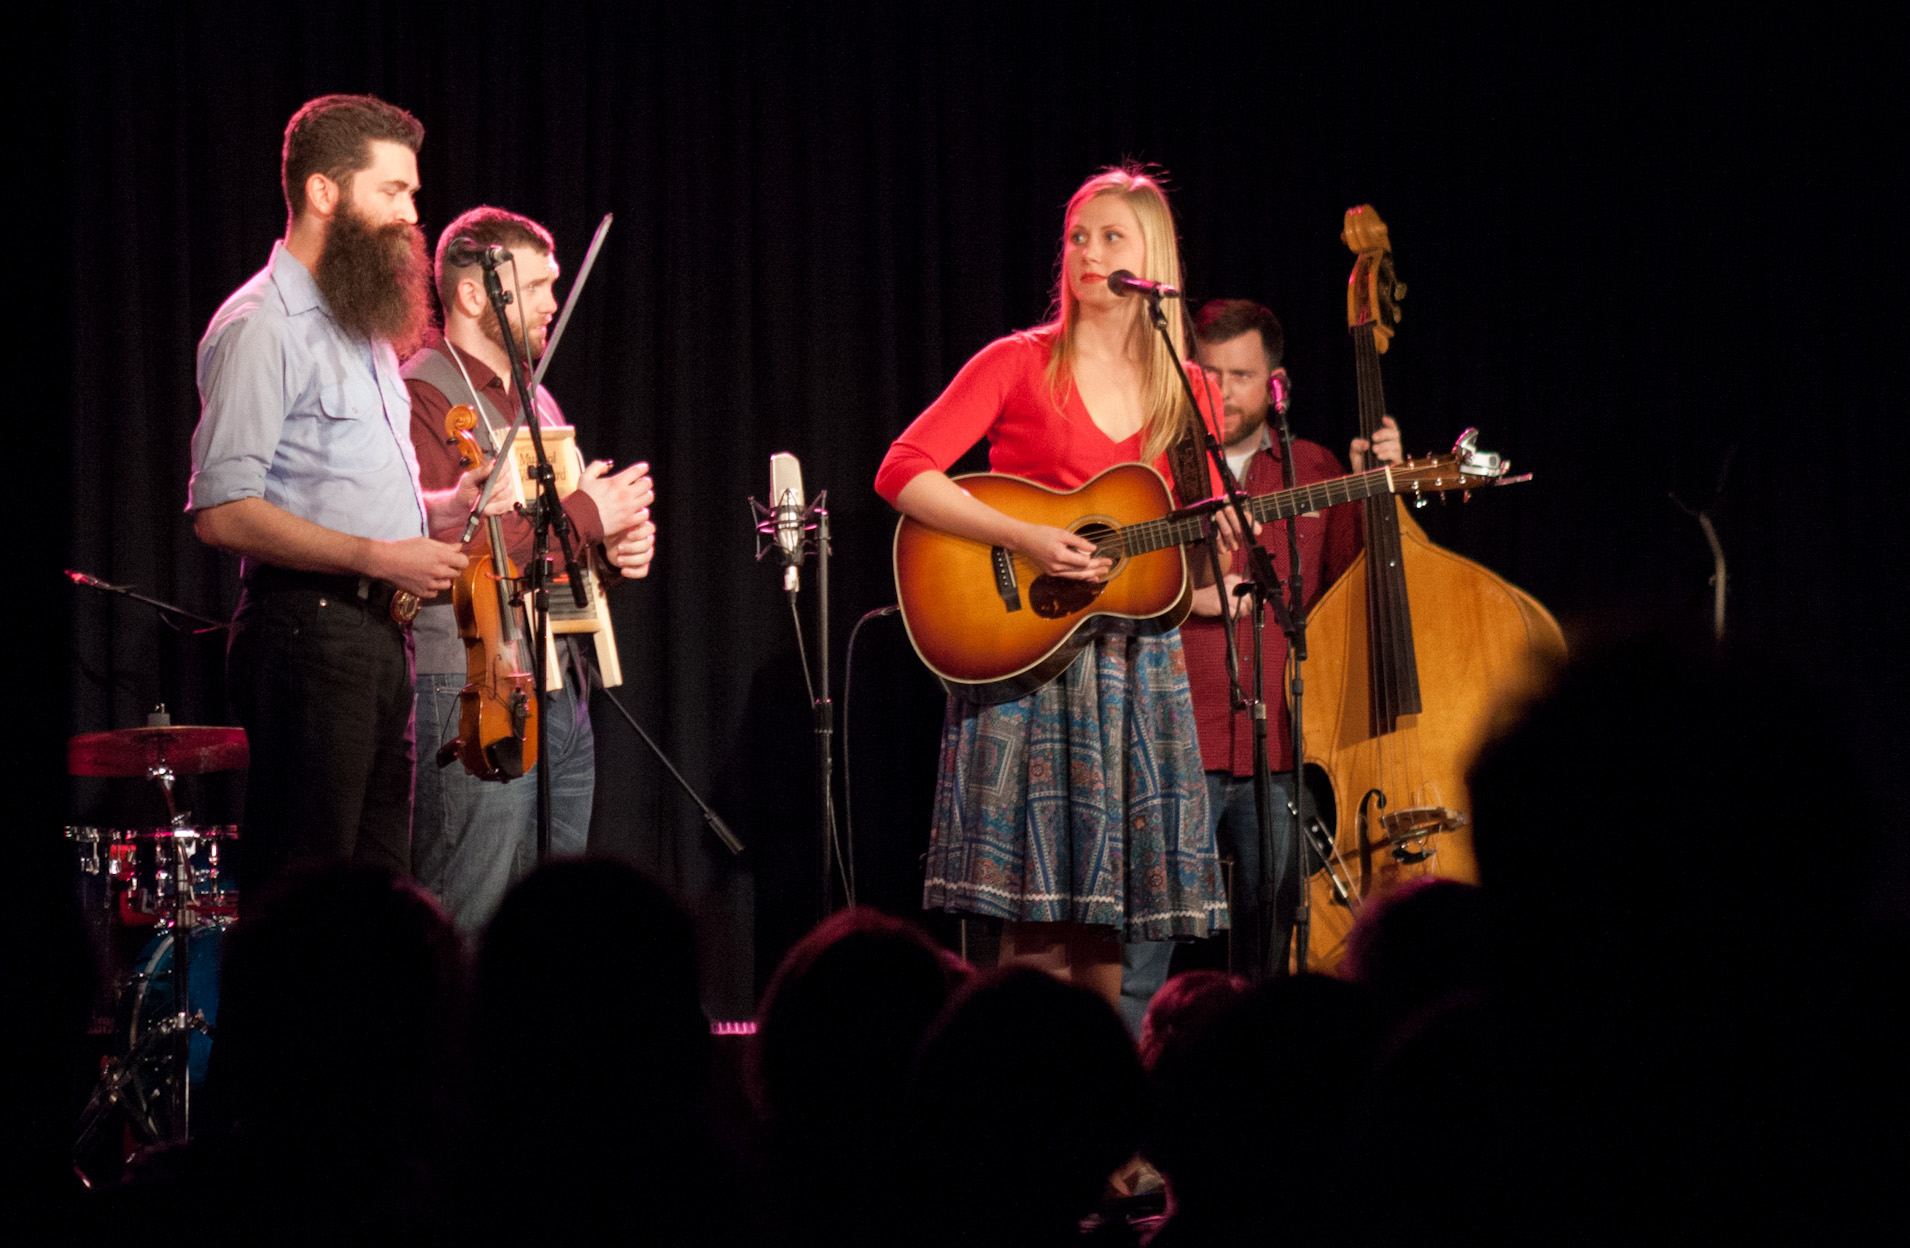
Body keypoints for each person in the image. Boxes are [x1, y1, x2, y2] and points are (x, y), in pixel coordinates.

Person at [874, 165, 1236, 1007]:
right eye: (1077, 236)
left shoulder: (1189, 394)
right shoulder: (1017, 362)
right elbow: (902, 469)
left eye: (1111, 237)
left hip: (1133, 668)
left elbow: (1184, 546)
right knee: (1033, 923)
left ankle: (1097, 1119)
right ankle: (1017, 1115)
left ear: (1154, 262)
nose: (1086, 252)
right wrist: (1024, 535)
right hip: (1029, 655)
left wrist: (1217, 541)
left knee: (1108, 917)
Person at [188, 95, 502, 901]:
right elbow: (222, 510)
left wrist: (439, 508)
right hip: (307, 633)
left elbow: (345, 488)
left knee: (372, 904)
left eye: (413, 195)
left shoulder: (358, 327)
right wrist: (378, 555)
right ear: (325, 193)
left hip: (370, 639)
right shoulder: (262, 324)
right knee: (306, 898)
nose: (412, 214)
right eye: (393, 192)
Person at [1119, 299, 1401, 1025]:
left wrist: (1385, 490)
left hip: (1281, 751)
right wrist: (1195, 595)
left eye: (1240, 376)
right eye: (1208, 375)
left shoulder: (1313, 469)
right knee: (1139, 960)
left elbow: (1357, 586)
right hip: (1172, 743)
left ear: (1275, 382)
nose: (1223, 392)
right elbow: (1109, 588)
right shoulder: (1149, 467)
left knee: (1275, 954)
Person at [402, 206, 657, 932]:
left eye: (554, 286)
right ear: (477, 294)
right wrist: (586, 516)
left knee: (548, 932)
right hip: (474, 682)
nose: (552, 302)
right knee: (471, 914)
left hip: (559, 683)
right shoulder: (422, 393)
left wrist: (610, 554)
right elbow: (458, 553)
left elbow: (548, 548)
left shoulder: (535, 399)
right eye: (538, 285)